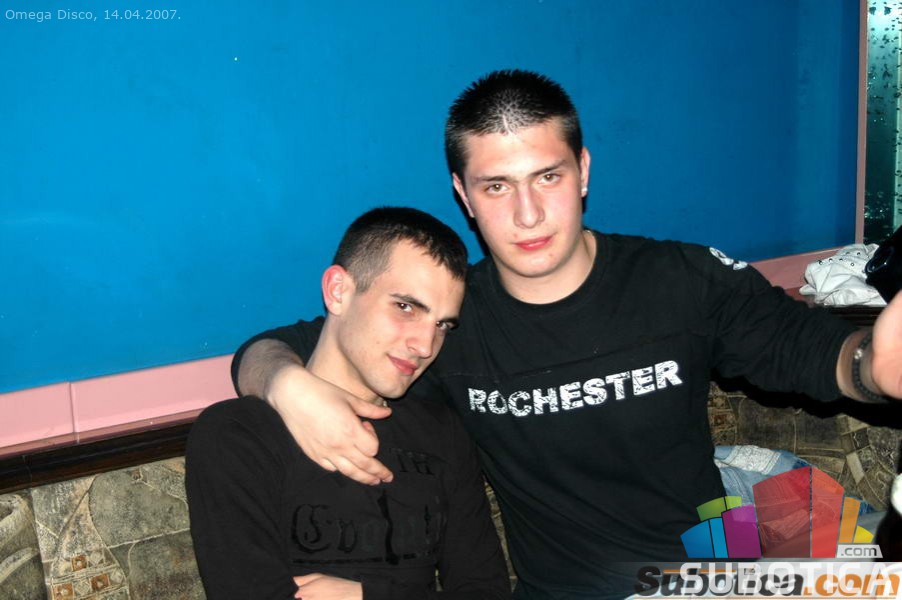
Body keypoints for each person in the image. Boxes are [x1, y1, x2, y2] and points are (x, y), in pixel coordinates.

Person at [231, 71, 902, 599]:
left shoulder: (680, 278)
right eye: (497, 187)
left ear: (582, 170)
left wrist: (873, 365)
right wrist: (286, 385)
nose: (527, 214)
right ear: (463, 194)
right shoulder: (445, 322)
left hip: (717, 571)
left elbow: (814, 351)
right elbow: (267, 349)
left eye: (547, 177)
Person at [186, 207, 511, 600]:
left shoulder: (441, 430)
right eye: (406, 307)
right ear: (338, 291)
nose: (426, 346)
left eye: (442, 324)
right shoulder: (238, 436)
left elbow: (488, 591)